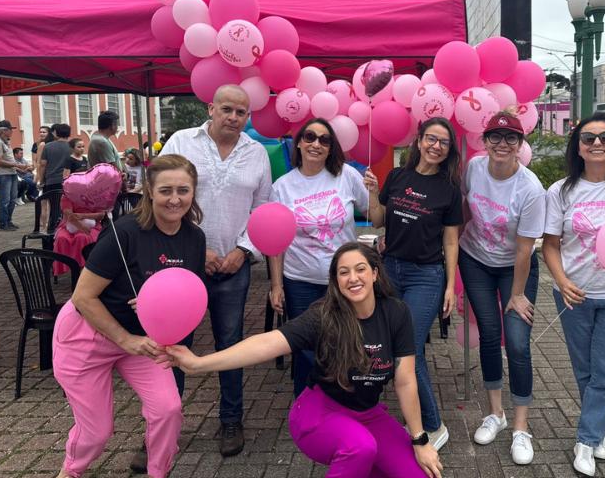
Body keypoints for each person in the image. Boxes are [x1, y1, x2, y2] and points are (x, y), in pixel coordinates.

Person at [169, 242, 443, 478]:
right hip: (319, 413)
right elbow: (267, 344)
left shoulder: (396, 313)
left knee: (419, 473)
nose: (353, 278)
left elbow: (406, 380)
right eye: (343, 272)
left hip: (368, 415)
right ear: (335, 281)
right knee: (361, 448)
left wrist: (420, 440)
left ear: (374, 273)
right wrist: (199, 363)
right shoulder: (324, 316)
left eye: (360, 269)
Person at [52, 154, 206, 478]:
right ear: (149, 191)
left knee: (169, 409)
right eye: (166, 190)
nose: (175, 199)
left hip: (144, 341)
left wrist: (160, 306)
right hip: (89, 335)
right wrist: (125, 339)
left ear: (193, 192)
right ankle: (70, 472)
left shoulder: (195, 238)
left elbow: (187, 292)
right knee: (96, 432)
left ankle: (157, 472)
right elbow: (83, 296)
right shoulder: (125, 232)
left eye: (183, 190)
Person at [160, 84, 271, 457]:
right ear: (211, 108)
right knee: (175, 346)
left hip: (233, 267)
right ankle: (164, 428)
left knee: (231, 346)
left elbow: (263, 209)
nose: (234, 118)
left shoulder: (256, 153)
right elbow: (161, 196)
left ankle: (231, 420)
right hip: (182, 266)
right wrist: (197, 249)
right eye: (227, 110)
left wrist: (245, 250)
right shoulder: (181, 141)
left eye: (242, 113)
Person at [541, 112, 605, 477]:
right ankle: (604, 427)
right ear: (578, 147)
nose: (597, 143)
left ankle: (586, 440)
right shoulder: (561, 191)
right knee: (584, 369)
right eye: (588, 138)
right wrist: (562, 280)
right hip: (573, 294)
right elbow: (550, 246)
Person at [362, 117, 463, 452]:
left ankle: (433, 425)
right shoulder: (397, 177)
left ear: (449, 150)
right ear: (419, 142)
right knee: (394, 345)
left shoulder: (449, 190)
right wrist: (374, 194)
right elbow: (378, 221)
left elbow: (451, 243)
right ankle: (414, 415)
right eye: (431, 139)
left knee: (411, 350)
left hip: (426, 276)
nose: (436, 146)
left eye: (443, 142)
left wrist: (450, 286)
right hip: (391, 270)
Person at [458, 111, 545, 466]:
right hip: (475, 260)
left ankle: (521, 426)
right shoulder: (474, 169)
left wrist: (518, 294)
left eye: (511, 138)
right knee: (490, 335)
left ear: (520, 145)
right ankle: (496, 414)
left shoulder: (530, 188)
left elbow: (525, 249)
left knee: (519, 342)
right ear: (485, 140)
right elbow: (464, 209)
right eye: (495, 137)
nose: (502, 144)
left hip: (516, 268)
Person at [268, 117, 369, 397]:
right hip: (300, 280)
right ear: (298, 142)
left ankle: (344, 400)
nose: (316, 144)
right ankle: (307, 403)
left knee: (346, 342)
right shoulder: (282, 187)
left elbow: (374, 212)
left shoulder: (347, 175)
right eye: (310, 137)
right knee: (304, 346)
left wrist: (375, 192)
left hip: (344, 281)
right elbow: (275, 242)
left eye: (324, 140)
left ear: (331, 147)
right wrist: (276, 285)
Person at [0, 120, 25, 231]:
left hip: (11, 173)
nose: (12, 132)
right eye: (10, 129)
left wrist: (17, 167)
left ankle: (8, 221)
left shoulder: (6, 142)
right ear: (4, 130)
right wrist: (16, 164)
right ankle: (3, 224)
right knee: (5, 200)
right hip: (3, 175)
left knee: (12, 199)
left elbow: (7, 159)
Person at [38, 123, 72, 195]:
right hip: (69, 180)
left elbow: (43, 165)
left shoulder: (48, 146)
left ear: (56, 133)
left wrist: (41, 180)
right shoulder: (72, 147)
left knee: (53, 204)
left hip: (51, 181)